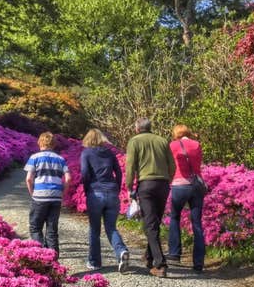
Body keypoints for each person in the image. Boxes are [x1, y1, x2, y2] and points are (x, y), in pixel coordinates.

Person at [125, 118, 175, 278]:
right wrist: (168, 180)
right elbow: (172, 165)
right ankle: (149, 256)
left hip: (146, 185)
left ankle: (160, 264)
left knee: (150, 225)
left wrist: (129, 187)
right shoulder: (162, 140)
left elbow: (130, 166)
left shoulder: (134, 141)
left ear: (137, 128)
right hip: (163, 184)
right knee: (154, 222)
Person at [80, 128, 131, 273]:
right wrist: (117, 187)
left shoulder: (86, 153)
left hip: (95, 193)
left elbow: (84, 173)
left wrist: (87, 188)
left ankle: (95, 262)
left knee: (95, 230)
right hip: (112, 193)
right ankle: (121, 251)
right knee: (111, 227)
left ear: (88, 139)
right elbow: (119, 172)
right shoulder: (110, 153)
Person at [24, 132, 71, 257]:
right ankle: (54, 260)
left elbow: (29, 179)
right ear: (53, 144)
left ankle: (40, 257)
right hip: (55, 197)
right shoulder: (60, 159)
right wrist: (62, 194)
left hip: (39, 197)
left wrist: (32, 193)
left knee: (35, 227)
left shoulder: (35, 157)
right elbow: (68, 179)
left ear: (40, 142)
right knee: (52, 230)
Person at [167, 124, 206, 272]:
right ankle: (198, 262)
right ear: (188, 132)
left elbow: (170, 165)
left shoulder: (173, 145)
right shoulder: (197, 144)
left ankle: (175, 253)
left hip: (179, 185)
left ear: (175, 133)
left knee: (175, 217)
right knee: (197, 222)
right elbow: (198, 164)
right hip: (196, 186)